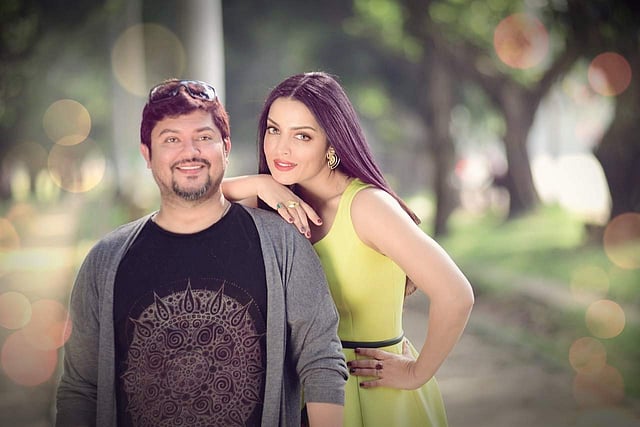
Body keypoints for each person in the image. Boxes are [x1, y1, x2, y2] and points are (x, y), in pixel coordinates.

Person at [55, 79, 348, 427]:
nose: (189, 151)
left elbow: (321, 360)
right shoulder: (105, 260)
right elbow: (80, 389)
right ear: (147, 154)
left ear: (226, 147)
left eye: (204, 137)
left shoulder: (281, 245)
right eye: (171, 139)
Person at [221, 71, 475, 426]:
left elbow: (456, 294)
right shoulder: (273, 202)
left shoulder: (367, 207)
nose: (281, 149)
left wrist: (416, 372)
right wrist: (258, 183)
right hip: (301, 394)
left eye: (302, 136)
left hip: (371, 393)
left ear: (332, 144)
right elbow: (191, 205)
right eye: (274, 130)